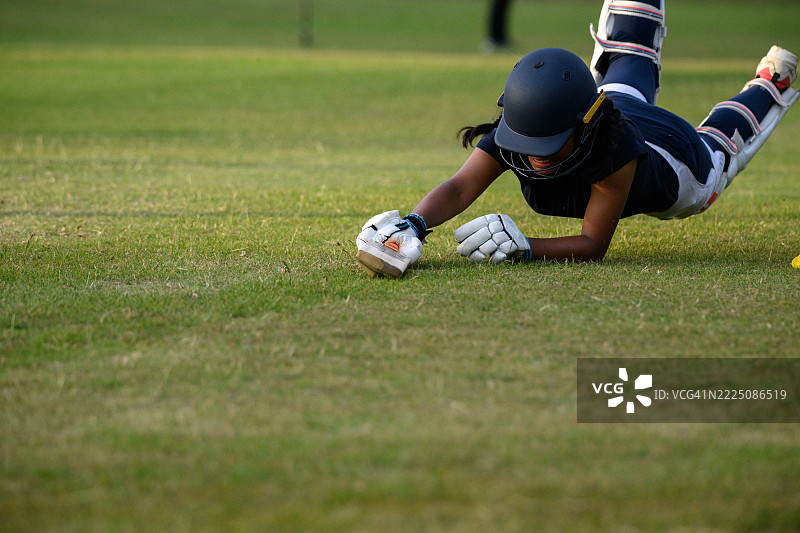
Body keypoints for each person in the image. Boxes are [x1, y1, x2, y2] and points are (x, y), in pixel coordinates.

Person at [356, 0, 798, 274]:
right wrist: (413, 224)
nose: (536, 159)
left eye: (547, 147)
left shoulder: (614, 153)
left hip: (674, 158)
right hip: (609, 103)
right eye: (529, 147)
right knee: (624, 63)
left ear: (584, 126)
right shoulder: (526, 128)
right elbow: (458, 187)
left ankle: (772, 82)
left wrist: (527, 248)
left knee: (715, 163)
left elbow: (593, 244)